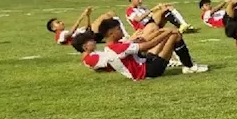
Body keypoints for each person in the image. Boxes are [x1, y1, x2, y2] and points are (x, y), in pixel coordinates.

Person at [73, 18, 207, 78]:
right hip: (148, 71)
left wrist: (161, 32)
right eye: (118, 29)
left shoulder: (111, 47)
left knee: (168, 34)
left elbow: (146, 41)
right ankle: (189, 67)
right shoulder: (116, 48)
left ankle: (187, 64)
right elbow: (148, 45)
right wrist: (167, 32)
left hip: (145, 63)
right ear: (110, 33)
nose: (121, 30)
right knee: (174, 36)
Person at [125, 0, 193, 33]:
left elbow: (151, 14)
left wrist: (159, 8)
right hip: (145, 28)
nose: (140, 1)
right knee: (163, 10)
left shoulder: (141, 8)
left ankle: (183, 25)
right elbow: (138, 19)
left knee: (167, 7)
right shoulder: (129, 10)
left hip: (151, 23)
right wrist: (153, 9)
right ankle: (181, 26)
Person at [46, 7, 121, 45]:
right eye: (58, 22)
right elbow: (70, 33)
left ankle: (120, 36)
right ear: (53, 28)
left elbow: (87, 27)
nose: (62, 22)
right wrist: (82, 16)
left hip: (90, 34)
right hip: (89, 36)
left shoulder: (64, 32)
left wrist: (87, 16)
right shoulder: (60, 35)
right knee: (107, 15)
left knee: (109, 15)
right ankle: (124, 35)